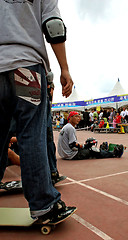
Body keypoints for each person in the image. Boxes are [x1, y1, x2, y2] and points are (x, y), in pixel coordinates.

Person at [0, 0, 75, 222]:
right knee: (31, 134)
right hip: (27, 67)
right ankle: (43, 205)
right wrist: (64, 69)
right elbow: (53, 26)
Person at [58, 111, 124, 160]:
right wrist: (84, 146)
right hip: (70, 155)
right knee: (93, 151)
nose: (78, 118)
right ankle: (113, 154)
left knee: (88, 148)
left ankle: (104, 151)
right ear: (70, 118)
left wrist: (83, 146)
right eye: (76, 116)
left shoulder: (66, 127)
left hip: (64, 154)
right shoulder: (70, 128)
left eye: (79, 116)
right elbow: (72, 144)